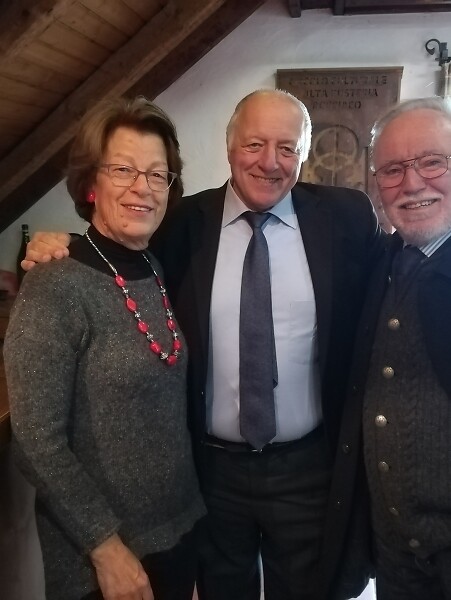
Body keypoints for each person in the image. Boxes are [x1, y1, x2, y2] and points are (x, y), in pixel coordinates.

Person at [22, 89, 382, 600]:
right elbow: (114, 241)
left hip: (306, 469)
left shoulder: (346, 217)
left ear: (304, 154)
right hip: (210, 474)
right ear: (229, 146)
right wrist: (60, 242)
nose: (270, 161)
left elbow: (389, 281)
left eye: (287, 148)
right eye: (254, 144)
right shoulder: (181, 223)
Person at [4, 96, 205, 600]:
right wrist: (105, 546)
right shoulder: (54, 284)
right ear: (90, 183)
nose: (142, 186)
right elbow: (35, 440)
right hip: (103, 558)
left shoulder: (152, 267)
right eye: (123, 169)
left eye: (157, 174)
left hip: (178, 529)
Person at [330, 96, 451, 600]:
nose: (413, 183)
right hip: (396, 551)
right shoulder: (381, 260)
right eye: (393, 170)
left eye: (433, 161)